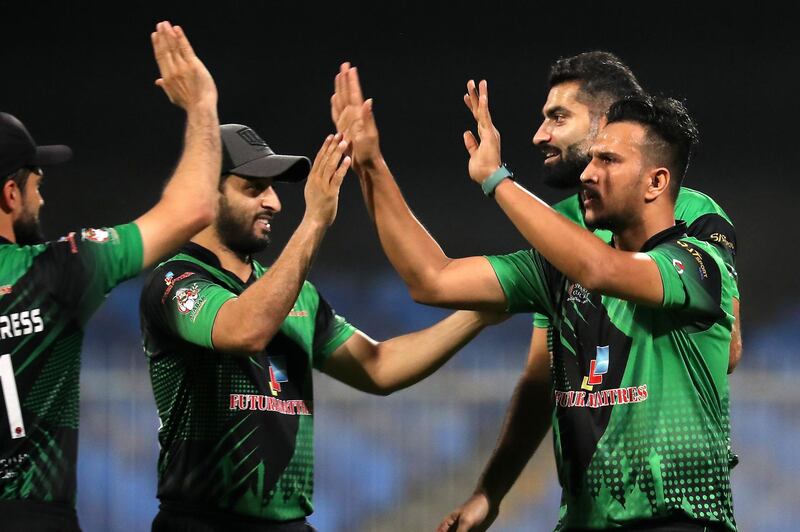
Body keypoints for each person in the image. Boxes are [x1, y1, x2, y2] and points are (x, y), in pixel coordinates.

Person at [332, 69, 737, 529]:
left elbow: (601, 271)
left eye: (607, 160)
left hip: (676, 522)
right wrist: (371, 164)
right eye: (592, 159)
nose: (587, 171)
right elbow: (432, 278)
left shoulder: (699, 260)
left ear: (656, 183)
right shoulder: (556, 269)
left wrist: (496, 180)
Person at [139, 123, 506, 532]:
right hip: (201, 523)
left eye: (273, 188)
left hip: (292, 524)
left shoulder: (297, 294)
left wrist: (477, 315)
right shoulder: (175, 282)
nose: (274, 203)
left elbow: (379, 367)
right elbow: (244, 330)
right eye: (254, 188)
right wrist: (314, 221)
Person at [0, 21, 221, 531]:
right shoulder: (58, 269)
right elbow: (193, 207)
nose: (42, 197)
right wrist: (202, 105)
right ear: (10, 195)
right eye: (35, 183)